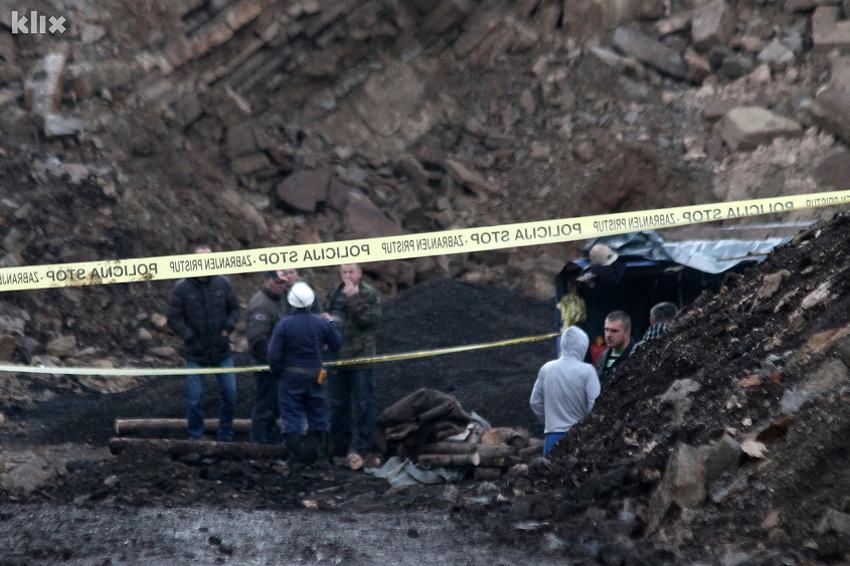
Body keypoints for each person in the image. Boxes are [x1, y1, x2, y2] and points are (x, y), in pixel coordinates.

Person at [166, 245, 241, 441]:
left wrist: (228, 329)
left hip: (221, 351)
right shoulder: (182, 287)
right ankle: (195, 437)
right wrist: (189, 336)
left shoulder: (222, 283)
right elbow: (173, 318)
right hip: (195, 353)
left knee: (230, 395)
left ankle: (225, 435)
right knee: (194, 400)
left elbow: (235, 309)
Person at [268, 282, 342, 470]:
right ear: (311, 301)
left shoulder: (283, 325)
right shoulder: (320, 322)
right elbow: (336, 343)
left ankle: (293, 461)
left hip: (290, 378)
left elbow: (273, 355)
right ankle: (323, 458)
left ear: (291, 302)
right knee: (319, 415)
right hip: (315, 376)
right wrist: (332, 322)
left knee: (292, 418)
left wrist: (278, 374)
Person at [324, 263, 381, 462]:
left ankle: (364, 448)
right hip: (336, 357)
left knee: (364, 403)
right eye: (344, 272)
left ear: (359, 273)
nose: (347, 276)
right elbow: (330, 315)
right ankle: (339, 447)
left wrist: (353, 299)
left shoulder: (369, 294)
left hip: (360, 358)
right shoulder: (334, 293)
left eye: (350, 272)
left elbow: (370, 321)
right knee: (338, 404)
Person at [530, 326, 600, 456]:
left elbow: (535, 402)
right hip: (580, 437)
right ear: (582, 347)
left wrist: (549, 422)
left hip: (552, 437)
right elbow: (596, 405)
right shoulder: (587, 371)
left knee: (550, 474)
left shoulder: (546, 369)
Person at [247, 271, 290, 444]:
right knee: (264, 407)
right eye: (278, 282)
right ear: (267, 281)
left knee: (274, 408)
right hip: (266, 365)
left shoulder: (280, 300)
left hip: (278, 363)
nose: (282, 285)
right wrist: (274, 362)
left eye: (283, 282)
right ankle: (257, 446)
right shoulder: (261, 304)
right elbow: (258, 341)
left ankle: (269, 444)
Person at [595, 310, 636, 389]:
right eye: (606, 330)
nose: (608, 335)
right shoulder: (602, 357)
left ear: (627, 333)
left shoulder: (637, 356)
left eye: (614, 331)